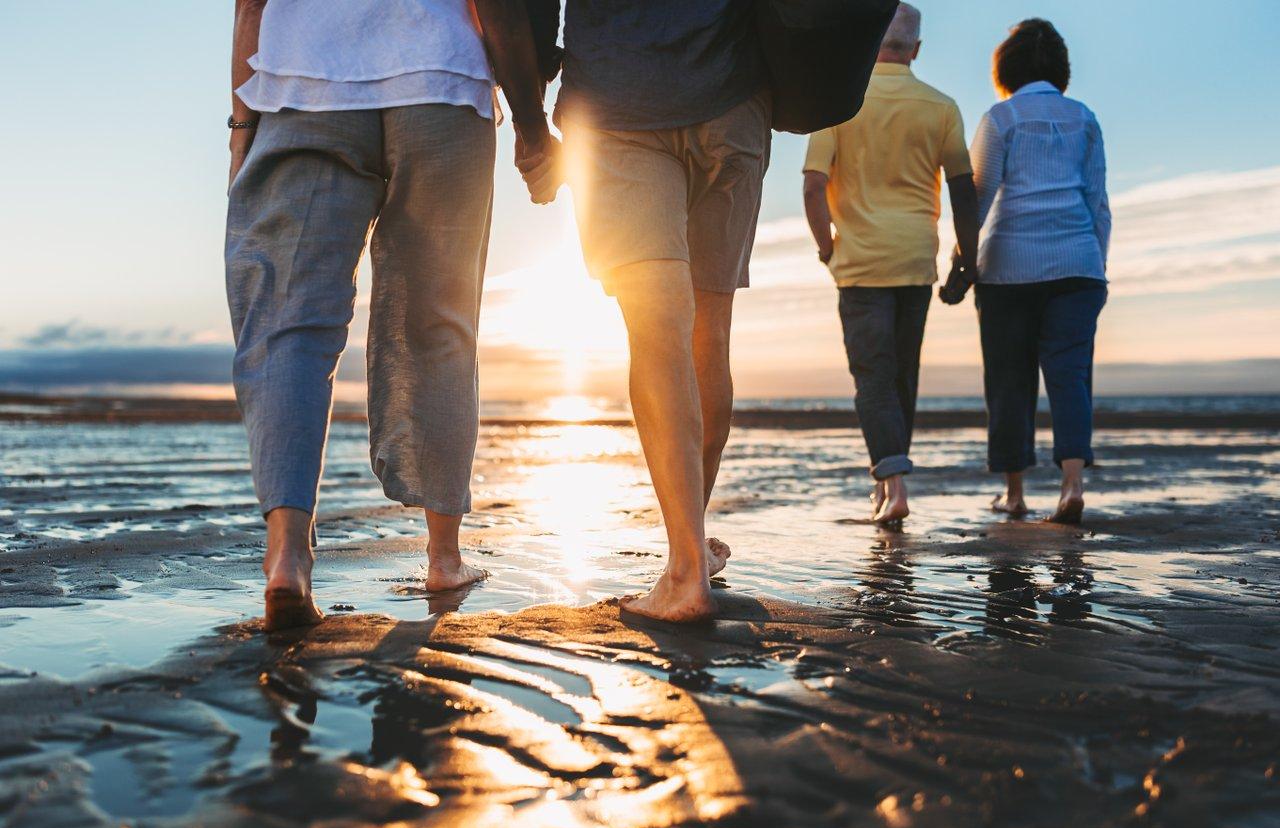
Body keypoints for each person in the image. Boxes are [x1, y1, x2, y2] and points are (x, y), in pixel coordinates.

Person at [225, 0, 555, 630]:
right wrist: (532, 130)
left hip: (303, 83)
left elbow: (249, 4)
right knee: (438, 325)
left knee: (289, 322)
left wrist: (242, 126)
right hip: (440, 82)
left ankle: (287, 556)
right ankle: (444, 558)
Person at [518, 1, 770, 622]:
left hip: (615, 104)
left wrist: (529, 122)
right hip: (732, 97)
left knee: (658, 332)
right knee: (709, 331)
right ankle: (690, 552)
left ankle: (686, 568)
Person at [802, 3, 979, 525]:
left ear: (873, 36)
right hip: (915, 257)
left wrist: (826, 246)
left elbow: (813, 186)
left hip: (859, 261)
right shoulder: (941, 106)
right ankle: (890, 482)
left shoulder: (838, 102)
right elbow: (963, 190)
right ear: (916, 50)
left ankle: (892, 487)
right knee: (903, 375)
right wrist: (965, 262)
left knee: (872, 376)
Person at [939, 18, 1111, 525]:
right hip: (1078, 265)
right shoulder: (1085, 119)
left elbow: (979, 196)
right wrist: (1095, 264)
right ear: (1061, 69)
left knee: (1009, 381)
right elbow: (1098, 202)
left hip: (1009, 269)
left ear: (1005, 68)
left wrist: (961, 264)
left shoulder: (1001, 118)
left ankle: (1014, 495)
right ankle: (1071, 486)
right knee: (1071, 377)